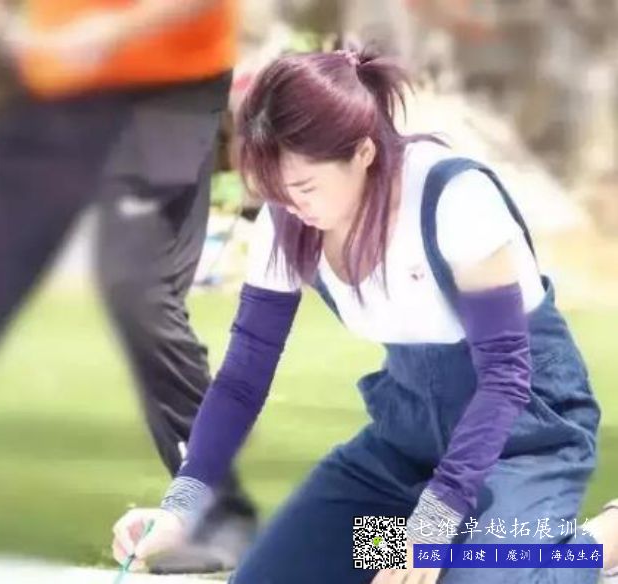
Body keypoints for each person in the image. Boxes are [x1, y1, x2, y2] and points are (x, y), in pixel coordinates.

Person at [110, 48, 618, 583]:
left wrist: (435, 521)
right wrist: (181, 506)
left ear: (363, 153)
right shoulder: (287, 221)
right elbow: (242, 379)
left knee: (467, 574)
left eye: (304, 186)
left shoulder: (454, 199)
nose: (291, 206)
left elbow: (506, 376)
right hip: (408, 436)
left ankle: (599, 544)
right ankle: (442, 549)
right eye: (276, 189)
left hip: (521, 434)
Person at [0, 0, 257, 572]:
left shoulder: (370, 238)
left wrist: (112, 31)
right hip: (58, 81)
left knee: (135, 289)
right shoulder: (303, 248)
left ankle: (237, 514)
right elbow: (262, 345)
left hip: (163, 83)